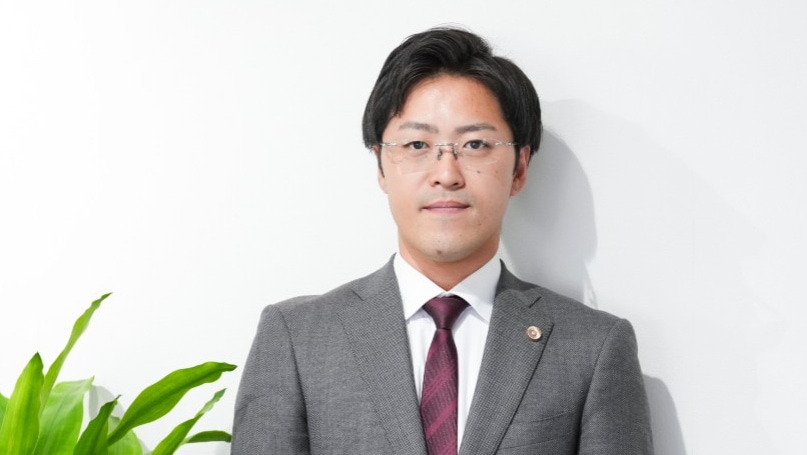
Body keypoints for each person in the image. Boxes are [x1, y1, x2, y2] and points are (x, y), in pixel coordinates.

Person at [233, 27, 653, 455]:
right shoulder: (296, 337)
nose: (447, 174)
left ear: (519, 168)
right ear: (380, 166)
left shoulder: (593, 346)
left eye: (475, 144)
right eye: (417, 144)